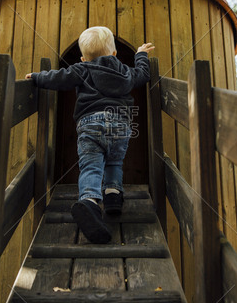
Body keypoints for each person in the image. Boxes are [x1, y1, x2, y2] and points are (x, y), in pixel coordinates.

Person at [26, 26, 154, 244]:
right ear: (114, 53)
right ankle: (113, 197)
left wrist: (37, 77)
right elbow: (143, 75)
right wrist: (140, 55)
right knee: (114, 162)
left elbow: (59, 78)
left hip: (91, 123)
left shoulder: (81, 69)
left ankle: (90, 201)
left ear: (84, 58)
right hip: (121, 123)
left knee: (92, 165)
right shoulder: (124, 70)